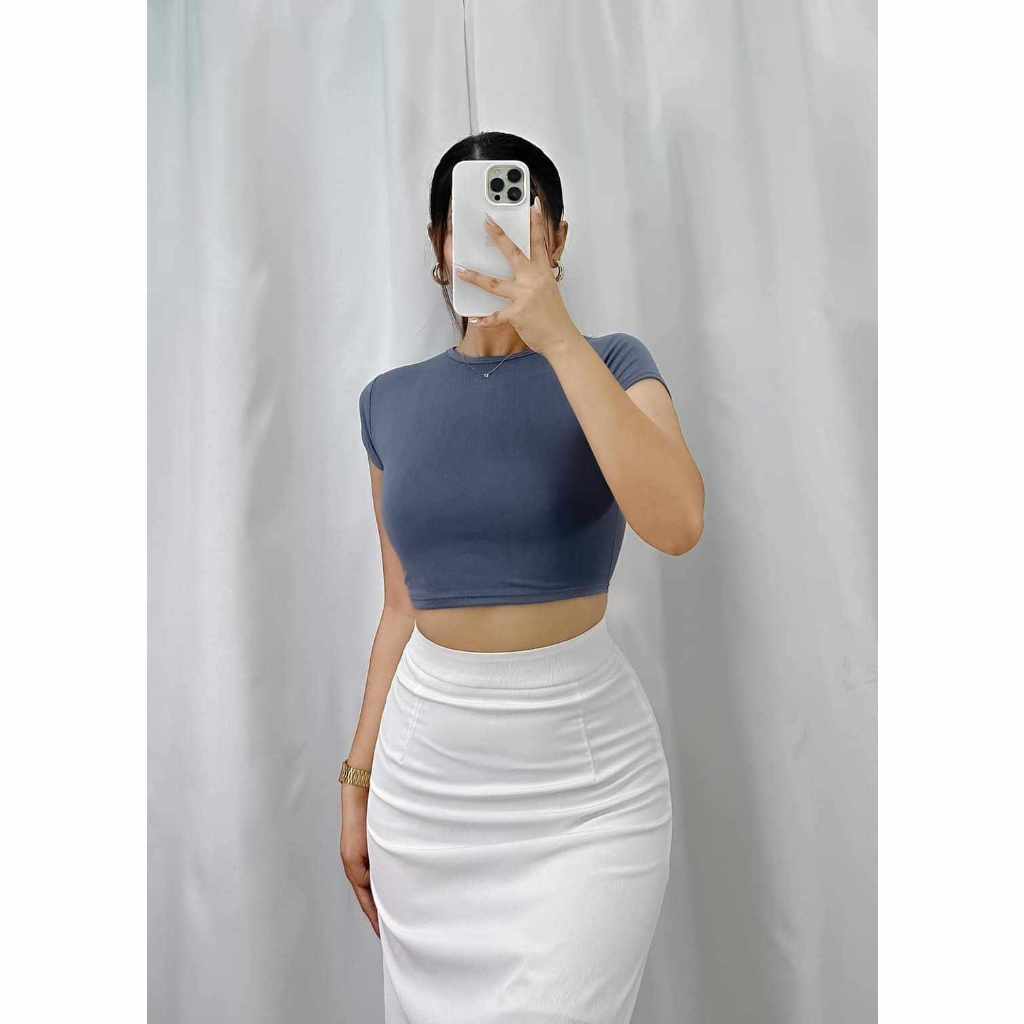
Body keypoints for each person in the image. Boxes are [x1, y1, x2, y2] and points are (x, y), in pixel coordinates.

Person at [339, 131, 704, 1023]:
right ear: (439, 243)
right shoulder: (389, 401)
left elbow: (677, 523)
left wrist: (557, 335)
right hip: (427, 791)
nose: (497, 241)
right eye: (471, 223)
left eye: (522, 222)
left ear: (558, 240)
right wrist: (357, 782)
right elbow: (399, 608)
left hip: (585, 793)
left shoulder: (615, 365)